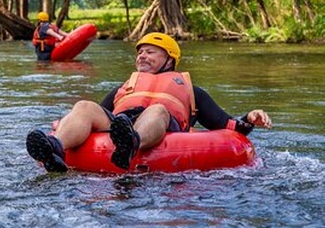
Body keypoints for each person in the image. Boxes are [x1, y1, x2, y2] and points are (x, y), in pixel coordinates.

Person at [26, 33, 272, 172]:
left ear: (169, 60)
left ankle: (132, 143)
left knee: (157, 109)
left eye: (150, 52)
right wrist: (64, 123)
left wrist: (249, 118)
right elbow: (93, 116)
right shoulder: (126, 86)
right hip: (121, 123)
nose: (142, 55)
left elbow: (227, 125)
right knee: (84, 106)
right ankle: (54, 147)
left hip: (158, 125)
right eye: (140, 52)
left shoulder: (191, 91)